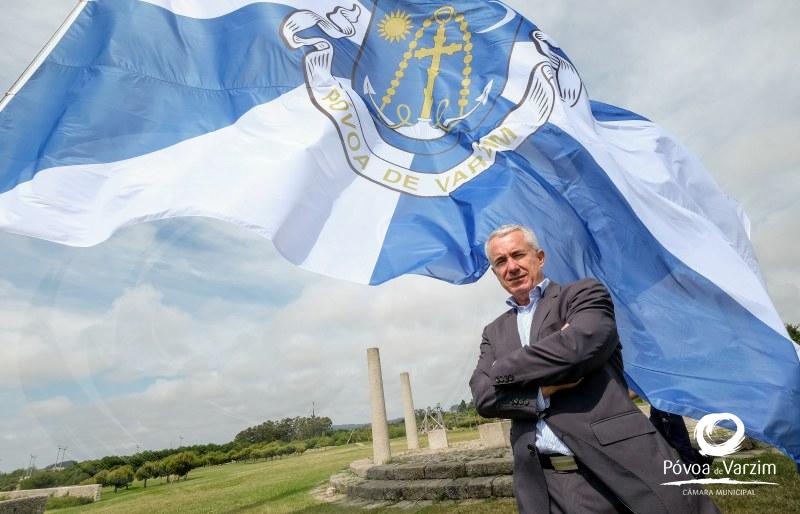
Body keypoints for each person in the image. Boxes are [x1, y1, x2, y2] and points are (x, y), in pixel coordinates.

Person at [470, 224, 719, 514]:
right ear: (494, 272)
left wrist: (501, 368)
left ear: (539, 257)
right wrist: (541, 391)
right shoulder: (494, 331)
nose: (511, 267)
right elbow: (484, 398)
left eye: (518, 255)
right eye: (501, 261)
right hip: (542, 486)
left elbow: (576, 349)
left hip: (613, 469)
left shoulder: (583, 294)